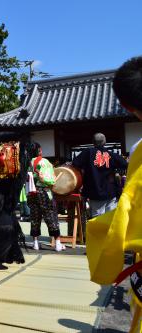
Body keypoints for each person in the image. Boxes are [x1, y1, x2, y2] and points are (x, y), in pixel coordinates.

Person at [86, 56, 142, 332]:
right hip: (109, 193)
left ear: (127, 106)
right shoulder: (118, 155)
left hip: (94, 195)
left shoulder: (85, 155)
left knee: (99, 219)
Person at [72, 133, 128, 217]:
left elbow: (75, 163)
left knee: (97, 218)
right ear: (104, 142)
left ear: (93, 142)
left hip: (95, 191)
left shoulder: (87, 153)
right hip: (111, 191)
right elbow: (124, 164)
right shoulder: (110, 154)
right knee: (110, 218)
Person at [27, 143, 64, 252]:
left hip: (32, 192)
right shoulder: (45, 162)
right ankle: (57, 243)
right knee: (51, 215)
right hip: (44, 191)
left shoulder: (28, 163)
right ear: (40, 151)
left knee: (35, 216)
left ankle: (35, 243)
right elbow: (51, 180)